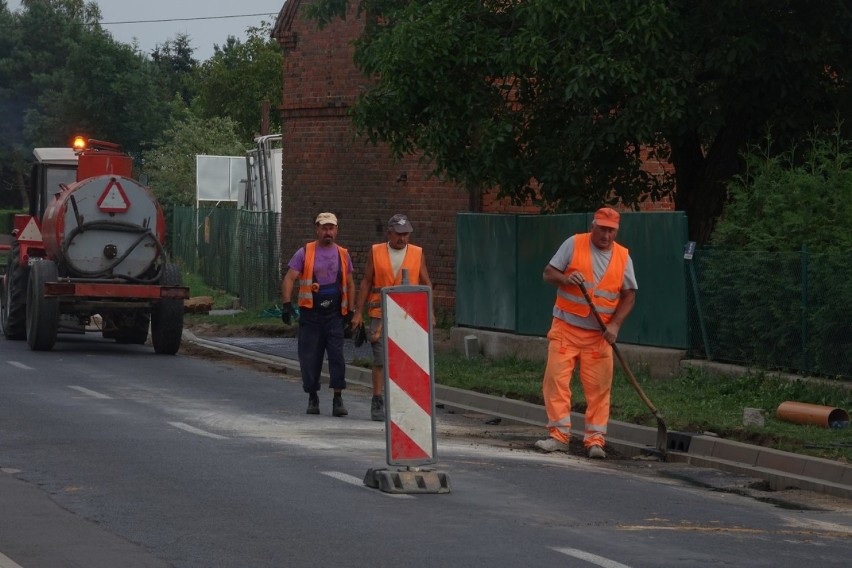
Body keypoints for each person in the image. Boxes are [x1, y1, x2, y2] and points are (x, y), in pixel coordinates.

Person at [535, 207, 637, 459]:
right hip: (565, 329)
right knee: (556, 382)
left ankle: (595, 441)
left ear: (616, 231)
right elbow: (548, 273)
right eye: (602, 228)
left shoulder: (623, 257)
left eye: (611, 230)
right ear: (593, 225)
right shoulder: (574, 243)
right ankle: (558, 436)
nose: (606, 234)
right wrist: (566, 279)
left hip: (598, 336)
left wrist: (614, 326)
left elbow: (629, 295)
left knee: (599, 390)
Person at [351, 214, 433, 421]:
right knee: (380, 359)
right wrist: (358, 312)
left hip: (409, 316)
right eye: (399, 234)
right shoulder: (376, 252)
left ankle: (403, 400)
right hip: (381, 313)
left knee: (407, 359)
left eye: (406, 235)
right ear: (389, 233)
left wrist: (429, 311)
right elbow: (367, 282)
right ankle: (377, 400)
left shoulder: (417, 253)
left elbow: (426, 283)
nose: (403, 239)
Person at [281, 212, 355, 417]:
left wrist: (351, 312)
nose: (327, 232)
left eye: (331, 228)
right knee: (310, 357)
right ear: (317, 229)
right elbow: (289, 279)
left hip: (334, 315)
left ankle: (337, 398)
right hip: (310, 315)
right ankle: (312, 396)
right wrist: (286, 305)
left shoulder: (342, 254)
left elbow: (349, 284)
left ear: (337, 230)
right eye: (324, 228)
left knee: (337, 357)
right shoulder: (305, 252)